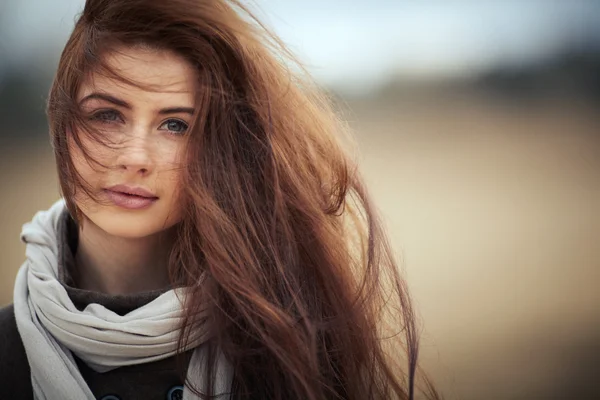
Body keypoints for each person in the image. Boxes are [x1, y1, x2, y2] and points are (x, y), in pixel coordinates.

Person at [0, 0, 438, 399]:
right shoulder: (5, 352)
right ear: (62, 123)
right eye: (107, 115)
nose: (135, 157)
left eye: (175, 125)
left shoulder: (283, 343)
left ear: (220, 149)